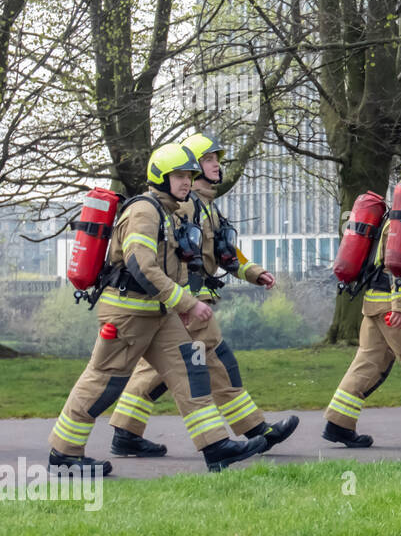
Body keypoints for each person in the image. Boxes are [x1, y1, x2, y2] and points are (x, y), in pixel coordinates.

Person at [48, 143, 268, 473]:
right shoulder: (144, 212)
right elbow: (142, 266)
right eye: (179, 176)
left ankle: (215, 446)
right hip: (128, 314)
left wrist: (187, 299)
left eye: (189, 176)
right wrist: (187, 303)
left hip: (158, 313)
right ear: (160, 177)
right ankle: (63, 454)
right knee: (104, 382)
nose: (186, 182)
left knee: (190, 373)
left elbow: (176, 266)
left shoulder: (170, 211)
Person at [107, 132, 298, 457]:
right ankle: (255, 430)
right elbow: (171, 258)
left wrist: (253, 272)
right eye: (208, 160)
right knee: (216, 364)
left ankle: (125, 432)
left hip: (191, 301)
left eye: (216, 160)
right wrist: (184, 302)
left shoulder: (206, 206)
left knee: (159, 370)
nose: (216, 166)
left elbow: (224, 251)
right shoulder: (185, 207)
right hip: (188, 302)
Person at [322, 152, 401, 448]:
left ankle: (338, 422)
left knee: (367, 362)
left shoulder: (394, 217)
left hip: (374, 304)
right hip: (394, 305)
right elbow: (396, 266)